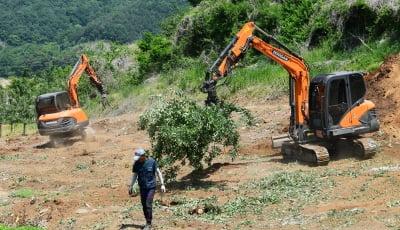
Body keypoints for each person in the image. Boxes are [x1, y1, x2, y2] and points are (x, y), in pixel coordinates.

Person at [129, 149, 166, 230]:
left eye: (139, 157)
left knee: (148, 204)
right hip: (142, 187)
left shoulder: (152, 162)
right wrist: (131, 186)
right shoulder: (137, 164)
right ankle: (147, 221)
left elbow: (158, 172)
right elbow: (135, 175)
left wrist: (162, 184)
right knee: (143, 205)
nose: (138, 159)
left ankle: (148, 223)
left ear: (143, 156)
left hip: (151, 187)